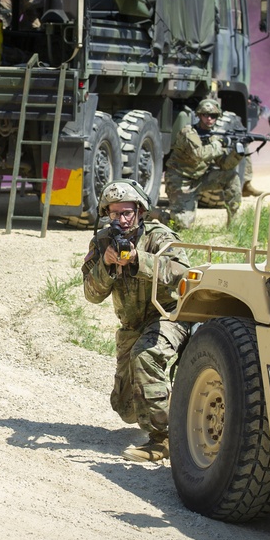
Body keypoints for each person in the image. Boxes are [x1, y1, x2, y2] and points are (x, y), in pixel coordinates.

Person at [82, 179, 191, 462]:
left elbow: (182, 273)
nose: (121, 219)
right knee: (126, 408)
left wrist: (137, 260)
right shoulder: (102, 241)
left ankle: (163, 439)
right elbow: (91, 295)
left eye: (127, 213)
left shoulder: (160, 237)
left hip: (169, 316)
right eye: (114, 214)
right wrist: (105, 266)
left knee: (145, 357)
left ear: (140, 211)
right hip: (132, 326)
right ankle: (171, 404)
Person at [164, 98, 243, 229]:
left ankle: (233, 224)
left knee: (231, 176)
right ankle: (154, 214)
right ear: (199, 115)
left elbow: (223, 165)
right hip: (180, 180)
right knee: (182, 225)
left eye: (213, 116)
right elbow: (199, 155)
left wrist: (237, 154)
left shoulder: (213, 136)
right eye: (205, 115)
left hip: (199, 179)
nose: (209, 119)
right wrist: (221, 143)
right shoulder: (188, 132)